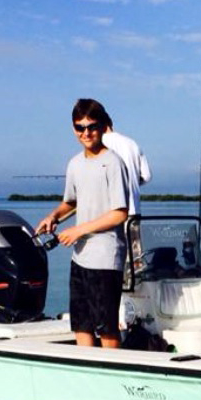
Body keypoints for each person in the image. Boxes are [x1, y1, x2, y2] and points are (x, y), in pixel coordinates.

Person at [36, 99, 130, 348]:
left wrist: (78, 230)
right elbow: (71, 202)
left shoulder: (114, 163)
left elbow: (119, 213)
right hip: (80, 258)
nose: (86, 133)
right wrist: (53, 217)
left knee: (107, 329)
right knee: (81, 325)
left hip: (106, 258)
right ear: (73, 128)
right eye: (80, 127)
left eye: (91, 127)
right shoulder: (75, 164)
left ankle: (112, 369)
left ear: (103, 126)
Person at [103, 125, 151, 216]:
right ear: (110, 125)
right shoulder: (132, 143)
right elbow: (147, 176)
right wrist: (131, 182)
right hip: (134, 210)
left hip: (108, 213)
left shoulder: (99, 145)